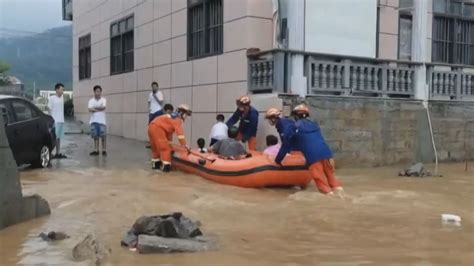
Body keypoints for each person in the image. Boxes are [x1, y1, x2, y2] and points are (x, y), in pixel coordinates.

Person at [292, 104, 343, 196]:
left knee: (320, 180)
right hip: (326, 154)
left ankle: (330, 197)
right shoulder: (315, 125)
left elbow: (293, 144)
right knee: (331, 178)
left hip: (313, 157)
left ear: (296, 115)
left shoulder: (295, 127)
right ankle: (340, 192)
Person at [148, 104, 192, 172]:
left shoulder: (170, 117)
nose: (186, 116)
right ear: (182, 113)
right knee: (165, 150)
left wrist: (169, 143)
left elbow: (169, 132)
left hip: (151, 127)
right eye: (186, 114)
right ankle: (166, 171)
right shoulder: (177, 119)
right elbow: (180, 133)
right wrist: (184, 144)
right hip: (158, 129)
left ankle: (155, 169)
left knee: (155, 149)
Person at [48, 83, 67, 159]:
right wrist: (50, 120)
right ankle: (51, 153)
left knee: (59, 138)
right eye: (61, 89)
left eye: (63, 90)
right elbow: (49, 109)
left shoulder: (62, 98)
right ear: (57, 89)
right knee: (54, 137)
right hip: (55, 121)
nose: (62, 91)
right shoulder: (52, 98)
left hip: (61, 120)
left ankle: (58, 152)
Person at [88, 85, 107, 156]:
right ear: (94, 92)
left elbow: (103, 108)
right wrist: (98, 109)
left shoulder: (103, 100)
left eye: (99, 91)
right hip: (93, 121)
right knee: (95, 136)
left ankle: (104, 150)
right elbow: (89, 109)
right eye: (96, 91)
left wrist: (94, 109)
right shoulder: (91, 100)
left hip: (102, 121)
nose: (98, 93)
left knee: (103, 136)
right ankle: (96, 150)